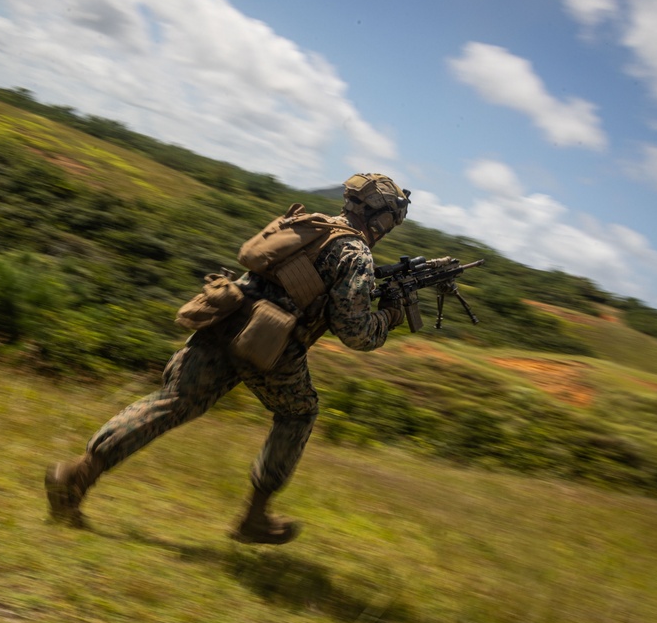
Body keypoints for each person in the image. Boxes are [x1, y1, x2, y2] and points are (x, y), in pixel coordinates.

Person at [45, 173, 411, 544]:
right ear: (381, 218)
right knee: (298, 413)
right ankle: (254, 516)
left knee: (173, 401)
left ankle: (76, 475)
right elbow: (356, 333)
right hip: (269, 344)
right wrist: (390, 316)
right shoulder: (355, 253)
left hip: (224, 315)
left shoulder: (310, 224)